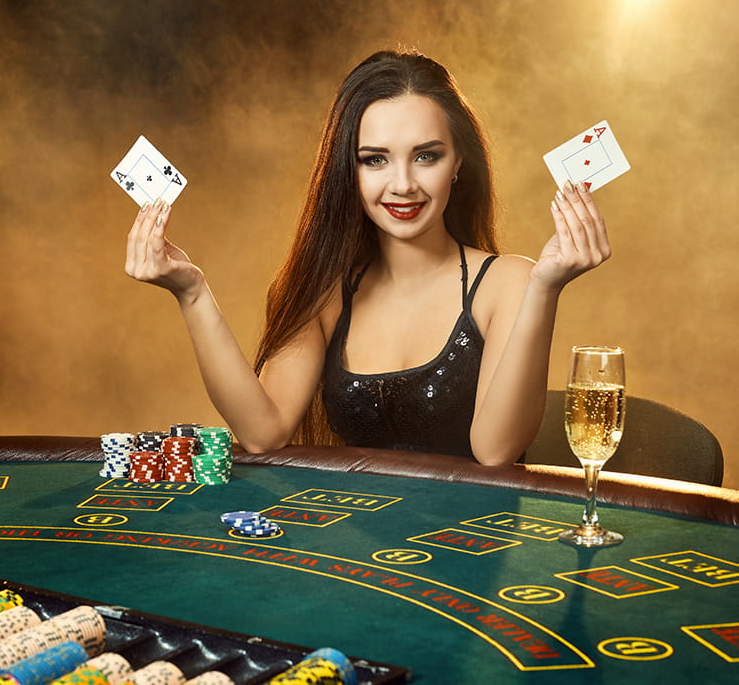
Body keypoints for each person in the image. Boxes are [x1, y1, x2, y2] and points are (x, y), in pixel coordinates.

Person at [124, 50, 611, 465]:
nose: (402, 183)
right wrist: (191, 292)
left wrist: (547, 287)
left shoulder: (509, 281)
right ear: (348, 170)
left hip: (472, 553)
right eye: (374, 159)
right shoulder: (325, 292)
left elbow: (495, 452)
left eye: (426, 156)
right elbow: (262, 433)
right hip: (352, 558)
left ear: (458, 162)